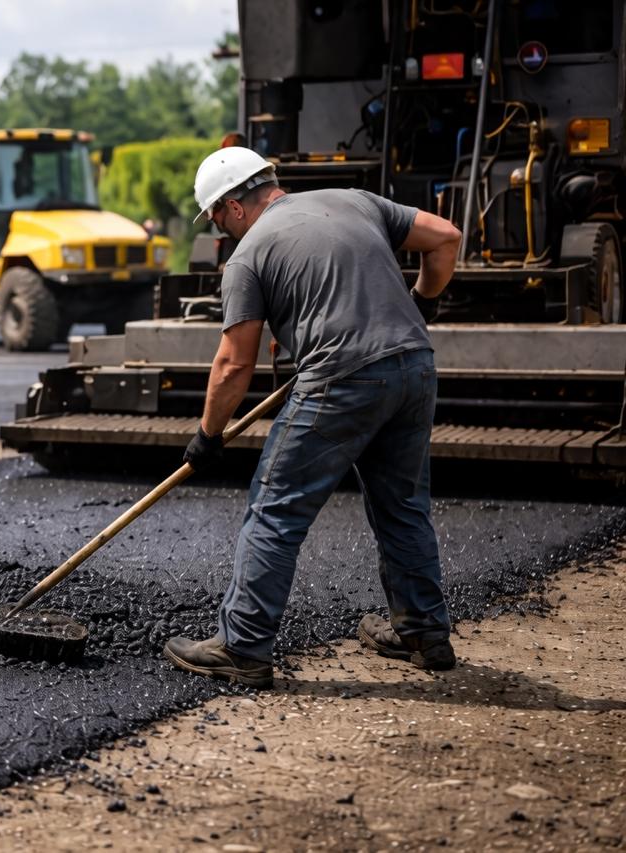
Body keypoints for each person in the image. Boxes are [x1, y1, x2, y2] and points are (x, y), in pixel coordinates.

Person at [164, 147, 463, 687]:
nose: (220, 230)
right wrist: (423, 302)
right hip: (415, 367)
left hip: (342, 377)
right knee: (402, 505)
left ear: (233, 206)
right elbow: (445, 237)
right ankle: (425, 632)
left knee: (275, 508)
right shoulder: (353, 201)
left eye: (214, 218)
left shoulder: (249, 256)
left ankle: (244, 645)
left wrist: (206, 437)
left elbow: (234, 364)